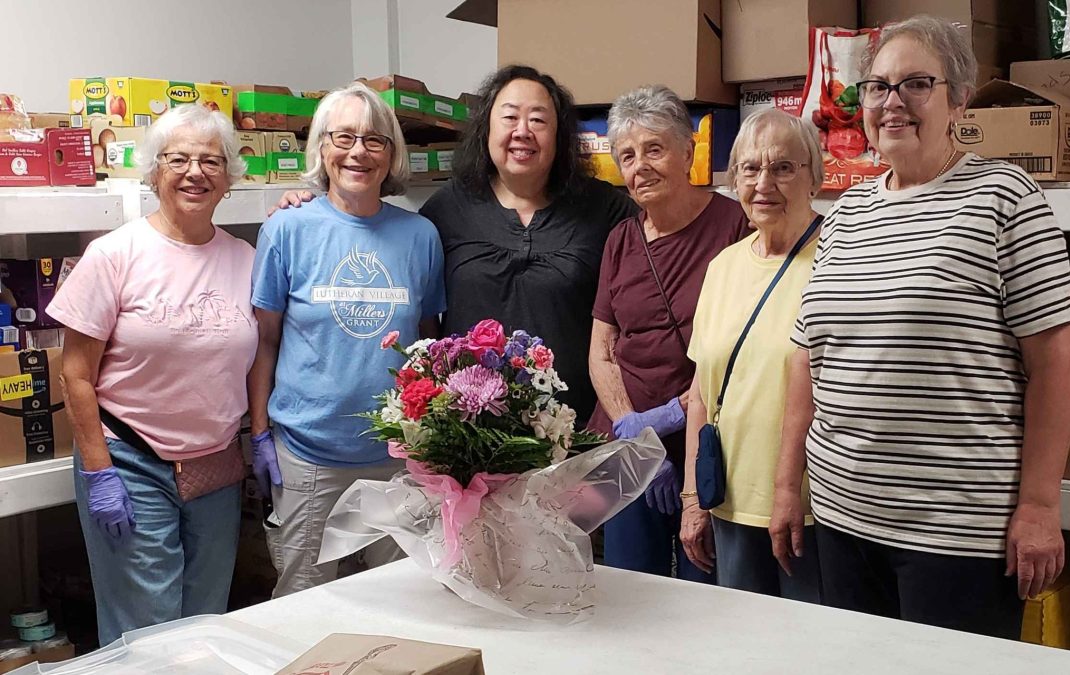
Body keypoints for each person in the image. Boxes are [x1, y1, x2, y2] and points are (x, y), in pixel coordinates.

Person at [770, 15, 1070, 638]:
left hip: (957, 533)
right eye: (878, 87)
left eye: (915, 84)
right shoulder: (846, 212)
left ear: (957, 96)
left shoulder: (1005, 198)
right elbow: (808, 357)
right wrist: (786, 486)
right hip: (840, 516)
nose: (892, 103)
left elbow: (1054, 362)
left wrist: (1041, 506)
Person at [276, 65, 638, 421]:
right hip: (465, 435)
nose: (523, 131)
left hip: (572, 430)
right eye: (509, 118)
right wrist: (311, 202)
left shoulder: (603, 209)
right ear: (486, 130)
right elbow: (422, 316)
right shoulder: (446, 211)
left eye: (539, 120)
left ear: (560, 136)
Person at [47, 104, 256, 645]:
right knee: (148, 630)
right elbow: (75, 374)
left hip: (216, 465)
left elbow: (263, 352)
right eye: (178, 158)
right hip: (131, 463)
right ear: (153, 171)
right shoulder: (114, 254)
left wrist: (261, 434)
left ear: (230, 178)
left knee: (207, 620)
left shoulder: (246, 258)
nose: (195, 173)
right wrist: (98, 472)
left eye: (211, 161)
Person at [248, 82, 446, 598]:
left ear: (391, 154)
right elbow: (263, 343)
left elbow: (427, 342)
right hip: (308, 454)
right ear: (321, 148)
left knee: (402, 597)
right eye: (344, 137)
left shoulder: (420, 236)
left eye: (374, 140)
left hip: (396, 457)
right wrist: (259, 432)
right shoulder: (287, 230)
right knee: (305, 600)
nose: (358, 152)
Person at [588, 85, 749, 583]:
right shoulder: (620, 239)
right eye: (628, 156)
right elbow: (602, 352)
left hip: (708, 441)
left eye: (654, 149)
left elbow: (741, 352)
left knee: (707, 593)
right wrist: (635, 428)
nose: (641, 167)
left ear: (689, 152)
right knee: (628, 588)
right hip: (628, 446)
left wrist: (672, 416)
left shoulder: (736, 227)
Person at [678, 109, 825, 601]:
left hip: (814, 509)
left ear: (814, 177)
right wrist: (694, 500)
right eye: (750, 168)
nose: (764, 183)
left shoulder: (838, 259)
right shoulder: (722, 267)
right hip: (731, 504)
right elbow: (701, 393)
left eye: (783, 167)